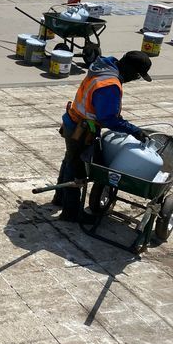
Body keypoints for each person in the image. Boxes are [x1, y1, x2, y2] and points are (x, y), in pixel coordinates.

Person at [54, 51, 153, 222]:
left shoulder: (104, 66)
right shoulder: (109, 84)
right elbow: (108, 118)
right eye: (137, 75)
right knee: (76, 170)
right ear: (128, 68)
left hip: (73, 121)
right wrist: (134, 130)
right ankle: (70, 213)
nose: (134, 79)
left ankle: (59, 199)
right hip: (81, 129)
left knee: (69, 160)